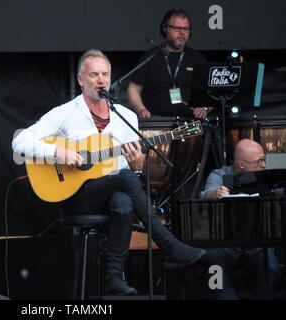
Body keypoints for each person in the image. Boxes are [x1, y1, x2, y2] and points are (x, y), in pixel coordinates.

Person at [12, 49, 205, 296]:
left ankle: (114, 278)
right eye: (94, 75)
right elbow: (20, 141)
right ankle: (169, 244)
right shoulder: (66, 112)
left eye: (105, 74)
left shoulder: (126, 117)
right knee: (123, 185)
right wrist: (58, 153)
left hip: (112, 192)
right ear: (80, 80)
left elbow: (124, 173)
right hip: (75, 197)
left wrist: (137, 168)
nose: (101, 80)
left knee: (124, 201)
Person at [200, 139, 282, 299]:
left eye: (264, 160)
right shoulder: (219, 174)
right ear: (241, 165)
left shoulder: (268, 173)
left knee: (272, 271)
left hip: (257, 244)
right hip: (223, 244)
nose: (264, 165)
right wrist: (214, 194)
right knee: (215, 278)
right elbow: (206, 193)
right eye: (259, 162)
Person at [127, 9, 210, 119]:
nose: (182, 32)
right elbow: (133, 89)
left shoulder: (196, 58)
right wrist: (141, 109)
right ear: (165, 29)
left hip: (189, 121)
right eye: (177, 28)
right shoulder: (150, 57)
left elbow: (212, 91)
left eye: (185, 29)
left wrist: (205, 108)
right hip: (156, 121)